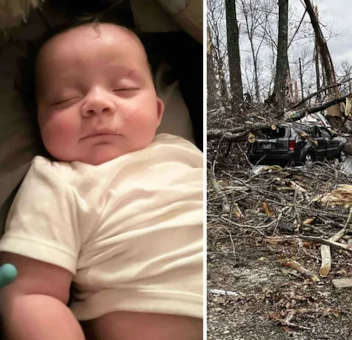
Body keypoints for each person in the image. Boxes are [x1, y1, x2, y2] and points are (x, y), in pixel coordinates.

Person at [0, 22, 203, 340]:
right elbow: (28, 295)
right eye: (64, 99)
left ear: (158, 110)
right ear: (39, 123)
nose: (98, 103)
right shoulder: (56, 181)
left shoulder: (185, 153)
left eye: (123, 89)